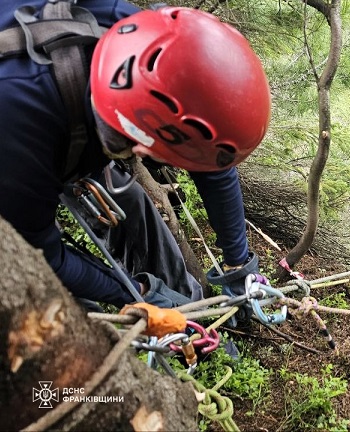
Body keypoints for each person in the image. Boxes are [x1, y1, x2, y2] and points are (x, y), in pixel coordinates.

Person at [0, 1, 271, 322]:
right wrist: (135, 294)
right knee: (71, 312)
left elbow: (214, 164)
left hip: (70, 109)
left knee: (127, 200)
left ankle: (194, 313)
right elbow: (41, 254)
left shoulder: (150, 37)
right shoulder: (21, 128)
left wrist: (238, 263)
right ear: (136, 141)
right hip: (19, 139)